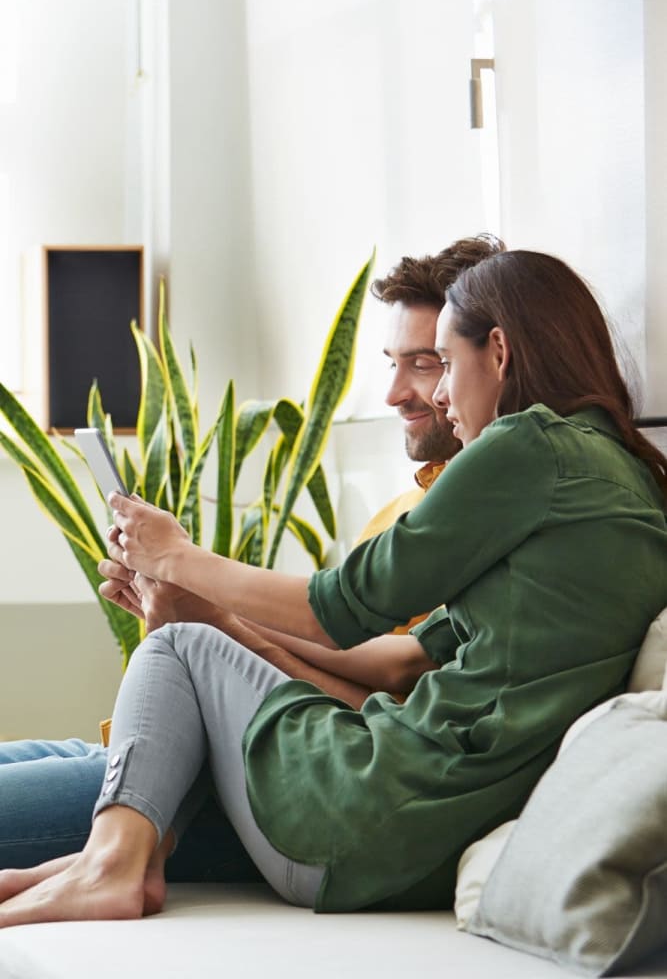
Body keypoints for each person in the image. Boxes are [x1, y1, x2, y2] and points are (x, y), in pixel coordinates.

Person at [1, 248, 665, 927]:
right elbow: (396, 658)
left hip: (381, 812)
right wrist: (210, 609)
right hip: (422, 834)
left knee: (176, 649)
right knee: (149, 667)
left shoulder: (530, 447)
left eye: (439, 363)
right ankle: (116, 860)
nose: (431, 395)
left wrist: (176, 557)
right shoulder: (620, 480)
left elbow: (340, 611)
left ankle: (110, 866)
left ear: (497, 351)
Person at [0, 235, 502, 882]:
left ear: (491, 359)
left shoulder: (478, 533)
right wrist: (194, 614)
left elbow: (378, 720)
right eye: (391, 362)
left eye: (427, 362)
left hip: (265, 775)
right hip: (205, 746)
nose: (397, 393)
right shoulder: (402, 512)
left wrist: (214, 623)